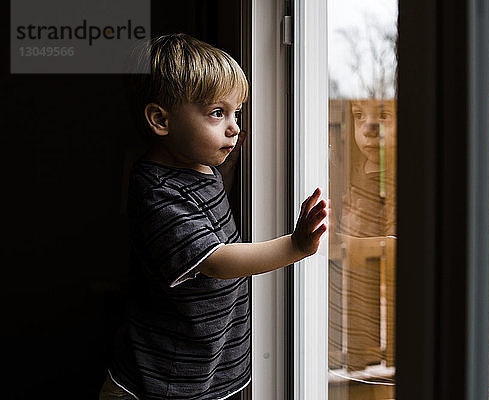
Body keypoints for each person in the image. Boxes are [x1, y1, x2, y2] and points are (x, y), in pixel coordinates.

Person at [99, 33, 327, 400]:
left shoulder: (198, 164)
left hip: (207, 362)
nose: (235, 127)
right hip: (158, 380)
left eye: (237, 113)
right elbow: (216, 261)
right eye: (217, 113)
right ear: (161, 120)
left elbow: (220, 179)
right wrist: (295, 245)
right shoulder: (156, 190)